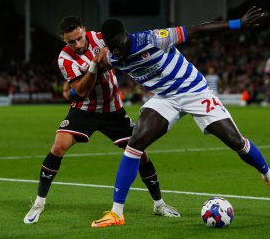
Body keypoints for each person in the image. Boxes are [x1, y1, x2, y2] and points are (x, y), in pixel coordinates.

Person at [90, 6, 270, 228]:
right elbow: (95, 69)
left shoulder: (153, 38)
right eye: (112, 48)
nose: (117, 51)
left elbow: (197, 29)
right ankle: (117, 212)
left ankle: (268, 176)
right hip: (165, 98)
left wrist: (238, 23)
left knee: (235, 141)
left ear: (126, 36)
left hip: (194, 91)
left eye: (119, 45)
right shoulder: (112, 57)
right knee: (135, 143)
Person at [23, 16, 180, 224]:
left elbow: (125, 51)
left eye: (80, 38)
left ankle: (159, 204)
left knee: (140, 153)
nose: (77, 45)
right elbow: (81, 90)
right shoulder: (64, 59)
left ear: (85, 30)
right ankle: (39, 203)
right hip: (84, 111)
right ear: (63, 39)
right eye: (71, 42)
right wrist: (95, 65)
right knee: (59, 146)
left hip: (113, 110)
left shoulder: (101, 39)